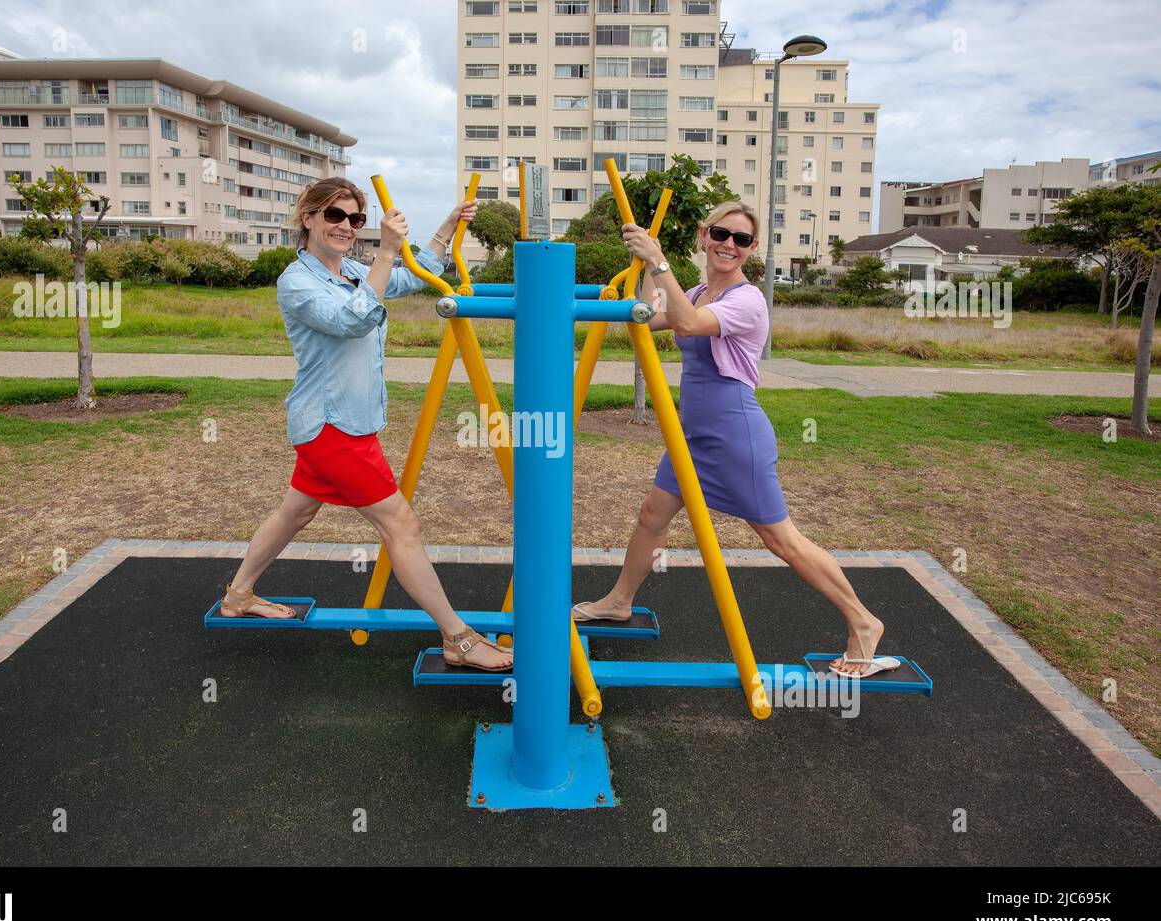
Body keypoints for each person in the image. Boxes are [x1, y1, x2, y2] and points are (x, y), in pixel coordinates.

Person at [571, 202, 897, 678]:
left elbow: (686, 324)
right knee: (652, 516)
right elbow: (648, 317)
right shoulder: (701, 290)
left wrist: (659, 261)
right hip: (694, 433)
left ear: (751, 249)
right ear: (705, 236)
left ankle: (864, 623)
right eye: (722, 234)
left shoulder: (747, 300)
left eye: (741, 239)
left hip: (734, 435)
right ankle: (620, 601)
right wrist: (645, 266)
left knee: (780, 540)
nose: (729, 244)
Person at [219, 177, 511, 673]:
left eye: (355, 219)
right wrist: (384, 254)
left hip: (345, 424)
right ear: (308, 218)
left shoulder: (353, 270)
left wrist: (444, 227)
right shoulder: (297, 281)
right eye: (334, 216)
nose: (346, 227)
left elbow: (413, 276)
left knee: (296, 513)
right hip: (331, 427)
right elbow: (354, 320)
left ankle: (238, 595)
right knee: (402, 525)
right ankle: (457, 638)